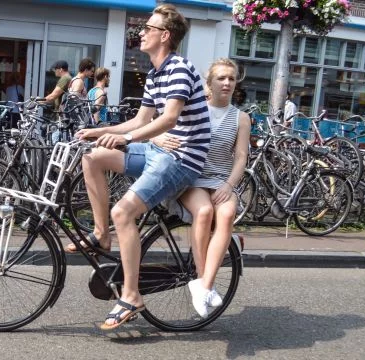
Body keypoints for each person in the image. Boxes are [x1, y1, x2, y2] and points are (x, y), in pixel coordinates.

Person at [75, 3, 210, 330]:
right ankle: (100, 234)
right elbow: (140, 119)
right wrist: (101, 131)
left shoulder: (179, 67)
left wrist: (127, 139)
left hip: (182, 158)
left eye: (148, 28)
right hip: (157, 152)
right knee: (91, 156)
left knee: (122, 213)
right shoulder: (154, 72)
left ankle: (132, 295)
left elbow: (169, 118)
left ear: (164, 35)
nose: (141, 32)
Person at [155, 58, 250, 319]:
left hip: (221, 179)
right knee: (205, 211)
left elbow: (241, 156)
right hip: (193, 176)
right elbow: (161, 126)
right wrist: (158, 138)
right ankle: (200, 278)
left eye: (231, 78)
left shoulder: (241, 118)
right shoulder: (196, 109)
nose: (227, 83)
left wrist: (230, 185)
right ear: (209, 84)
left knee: (227, 214)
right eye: (221, 78)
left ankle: (205, 285)